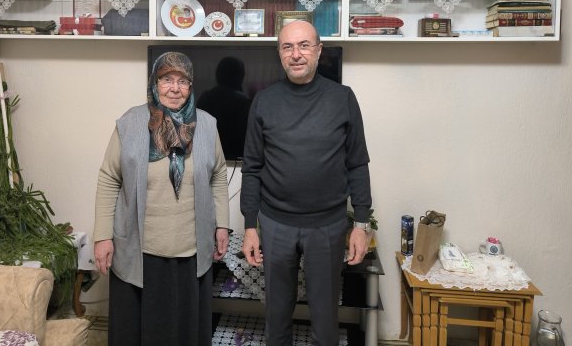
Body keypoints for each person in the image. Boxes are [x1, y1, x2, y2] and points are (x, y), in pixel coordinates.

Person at [240, 20, 372, 346]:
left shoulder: (343, 98)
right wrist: (250, 226)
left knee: (325, 321)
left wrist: (361, 224)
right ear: (279, 53)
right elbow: (252, 168)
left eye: (304, 45)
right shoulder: (264, 101)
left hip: (327, 226)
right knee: (276, 317)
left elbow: (357, 163)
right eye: (287, 47)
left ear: (318, 50)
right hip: (275, 224)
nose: (296, 54)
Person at [93, 51, 229, 346]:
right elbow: (109, 178)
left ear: (191, 86)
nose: (175, 88)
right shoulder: (130, 123)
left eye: (183, 81)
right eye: (167, 79)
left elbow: (218, 174)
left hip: (191, 250)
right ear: (155, 83)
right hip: (139, 250)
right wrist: (102, 236)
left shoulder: (207, 125)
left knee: (184, 331)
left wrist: (222, 225)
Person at [197, 56, 252, 160]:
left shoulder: (205, 96)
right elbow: (246, 138)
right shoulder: (243, 101)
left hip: (206, 156)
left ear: (218, 74)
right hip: (235, 156)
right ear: (239, 76)